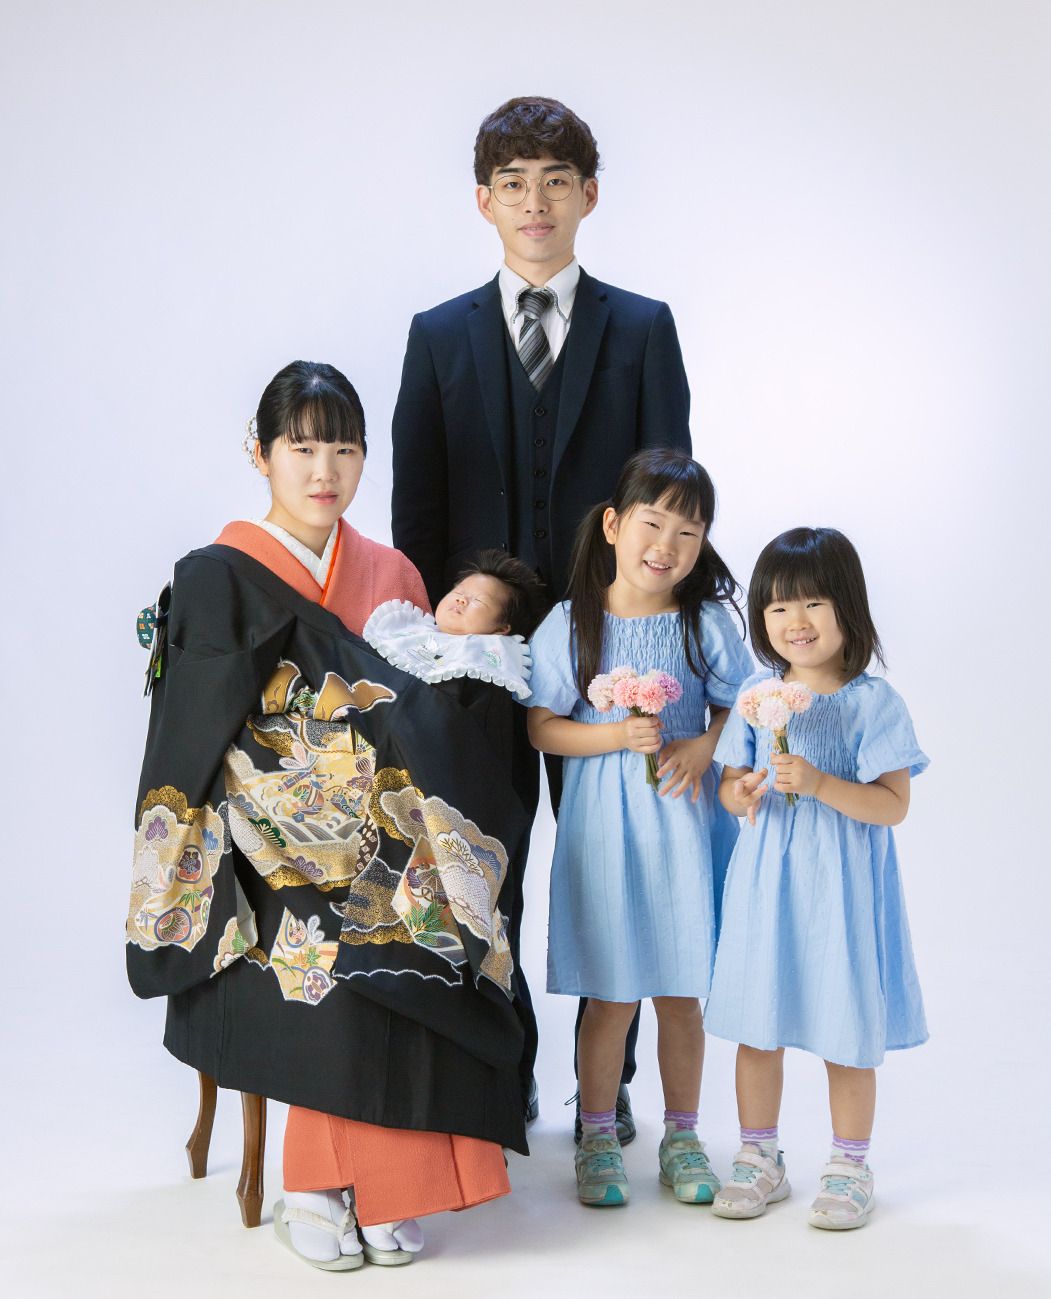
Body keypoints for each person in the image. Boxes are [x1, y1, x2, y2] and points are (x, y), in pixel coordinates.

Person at [127, 361, 530, 1271]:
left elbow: (430, 710)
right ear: (260, 453)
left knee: (433, 904)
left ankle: (382, 1179)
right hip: (261, 834)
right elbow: (198, 733)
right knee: (328, 918)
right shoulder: (218, 572)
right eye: (302, 447)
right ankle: (319, 1181)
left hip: (388, 814)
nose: (323, 471)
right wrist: (297, 808)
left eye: (343, 450)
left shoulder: (391, 570)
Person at [391, 97, 693, 1135]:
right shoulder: (438, 336)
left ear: (588, 196)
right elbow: (419, 511)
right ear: (484, 201)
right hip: (481, 657)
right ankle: (499, 1067)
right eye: (513, 183)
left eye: (555, 181)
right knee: (486, 861)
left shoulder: (642, 329)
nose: (535, 202)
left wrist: (655, 625)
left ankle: (610, 1089)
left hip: (610, 650)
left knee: (623, 860)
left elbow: (667, 493)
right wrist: (441, 647)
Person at [526, 449, 753, 1207]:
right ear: (613, 525)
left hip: (686, 828)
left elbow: (741, 704)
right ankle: (596, 1136)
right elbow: (541, 726)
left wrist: (703, 744)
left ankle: (682, 1135)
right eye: (652, 524)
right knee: (611, 995)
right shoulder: (573, 621)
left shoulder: (704, 622)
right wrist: (614, 737)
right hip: (606, 829)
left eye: (688, 532)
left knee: (682, 993)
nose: (667, 546)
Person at [707, 527, 928, 1230]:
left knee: (844, 1023)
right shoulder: (756, 693)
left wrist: (822, 783)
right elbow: (729, 785)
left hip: (840, 889)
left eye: (812, 603)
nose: (794, 621)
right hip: (765, 881)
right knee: (756, 1024)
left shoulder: (873, 702)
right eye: (777, 607)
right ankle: (758, 1157)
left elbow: (892, 805)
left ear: (847, 608)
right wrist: (741, 792)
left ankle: (849, 1165)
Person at [363, 551, 549, 701]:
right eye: (458, 592)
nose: (461, 599)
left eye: (478, 600)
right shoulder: (410, 630)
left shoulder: (486, 662)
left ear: (500, 629)